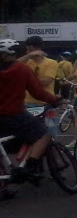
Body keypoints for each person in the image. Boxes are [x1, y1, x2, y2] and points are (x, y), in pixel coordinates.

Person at [0, 39, 60, 193]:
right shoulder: (22, 69)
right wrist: (54, 99)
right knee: (44, 134)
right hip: (15, 114)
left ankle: (3, 187)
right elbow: (38, 92)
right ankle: (31, 167)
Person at [20, 35, 58, 107]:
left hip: (46, 102)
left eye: (30, 50)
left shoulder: (52, 63)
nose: (28, 52)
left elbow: (46, 81)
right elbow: (12, 65)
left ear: (39, 49)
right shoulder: (26, 62)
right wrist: (29, 55)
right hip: (27, 102)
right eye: (27, 50)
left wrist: (27, 80)